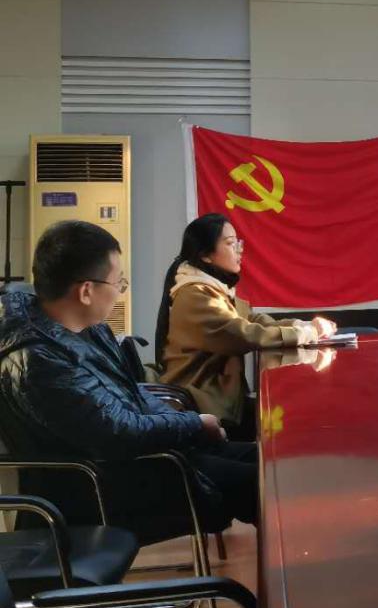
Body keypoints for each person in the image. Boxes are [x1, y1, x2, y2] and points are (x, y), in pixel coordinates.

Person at [0, 220, 256, 534]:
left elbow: (131, 391)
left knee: (270, 461)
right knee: (259, 483)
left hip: (143, 457)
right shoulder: (39, 361)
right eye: (118, 282)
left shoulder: (89, 328)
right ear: (86, 291)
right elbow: (117, 432)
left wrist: (188, 425)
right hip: (100, 488)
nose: (121, 290)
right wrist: (193, 424)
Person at [155, 214, 335, 441]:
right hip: (203, 403)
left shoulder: (212, 287)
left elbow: (252, 319)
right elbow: (244, 334)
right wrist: (306, 333)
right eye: (230, 244)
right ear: (205, 255)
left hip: (223, 398)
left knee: (297, 421)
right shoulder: (196, 295)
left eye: (238, 242)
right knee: (291, 431)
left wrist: (304, 326)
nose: (239, 250)